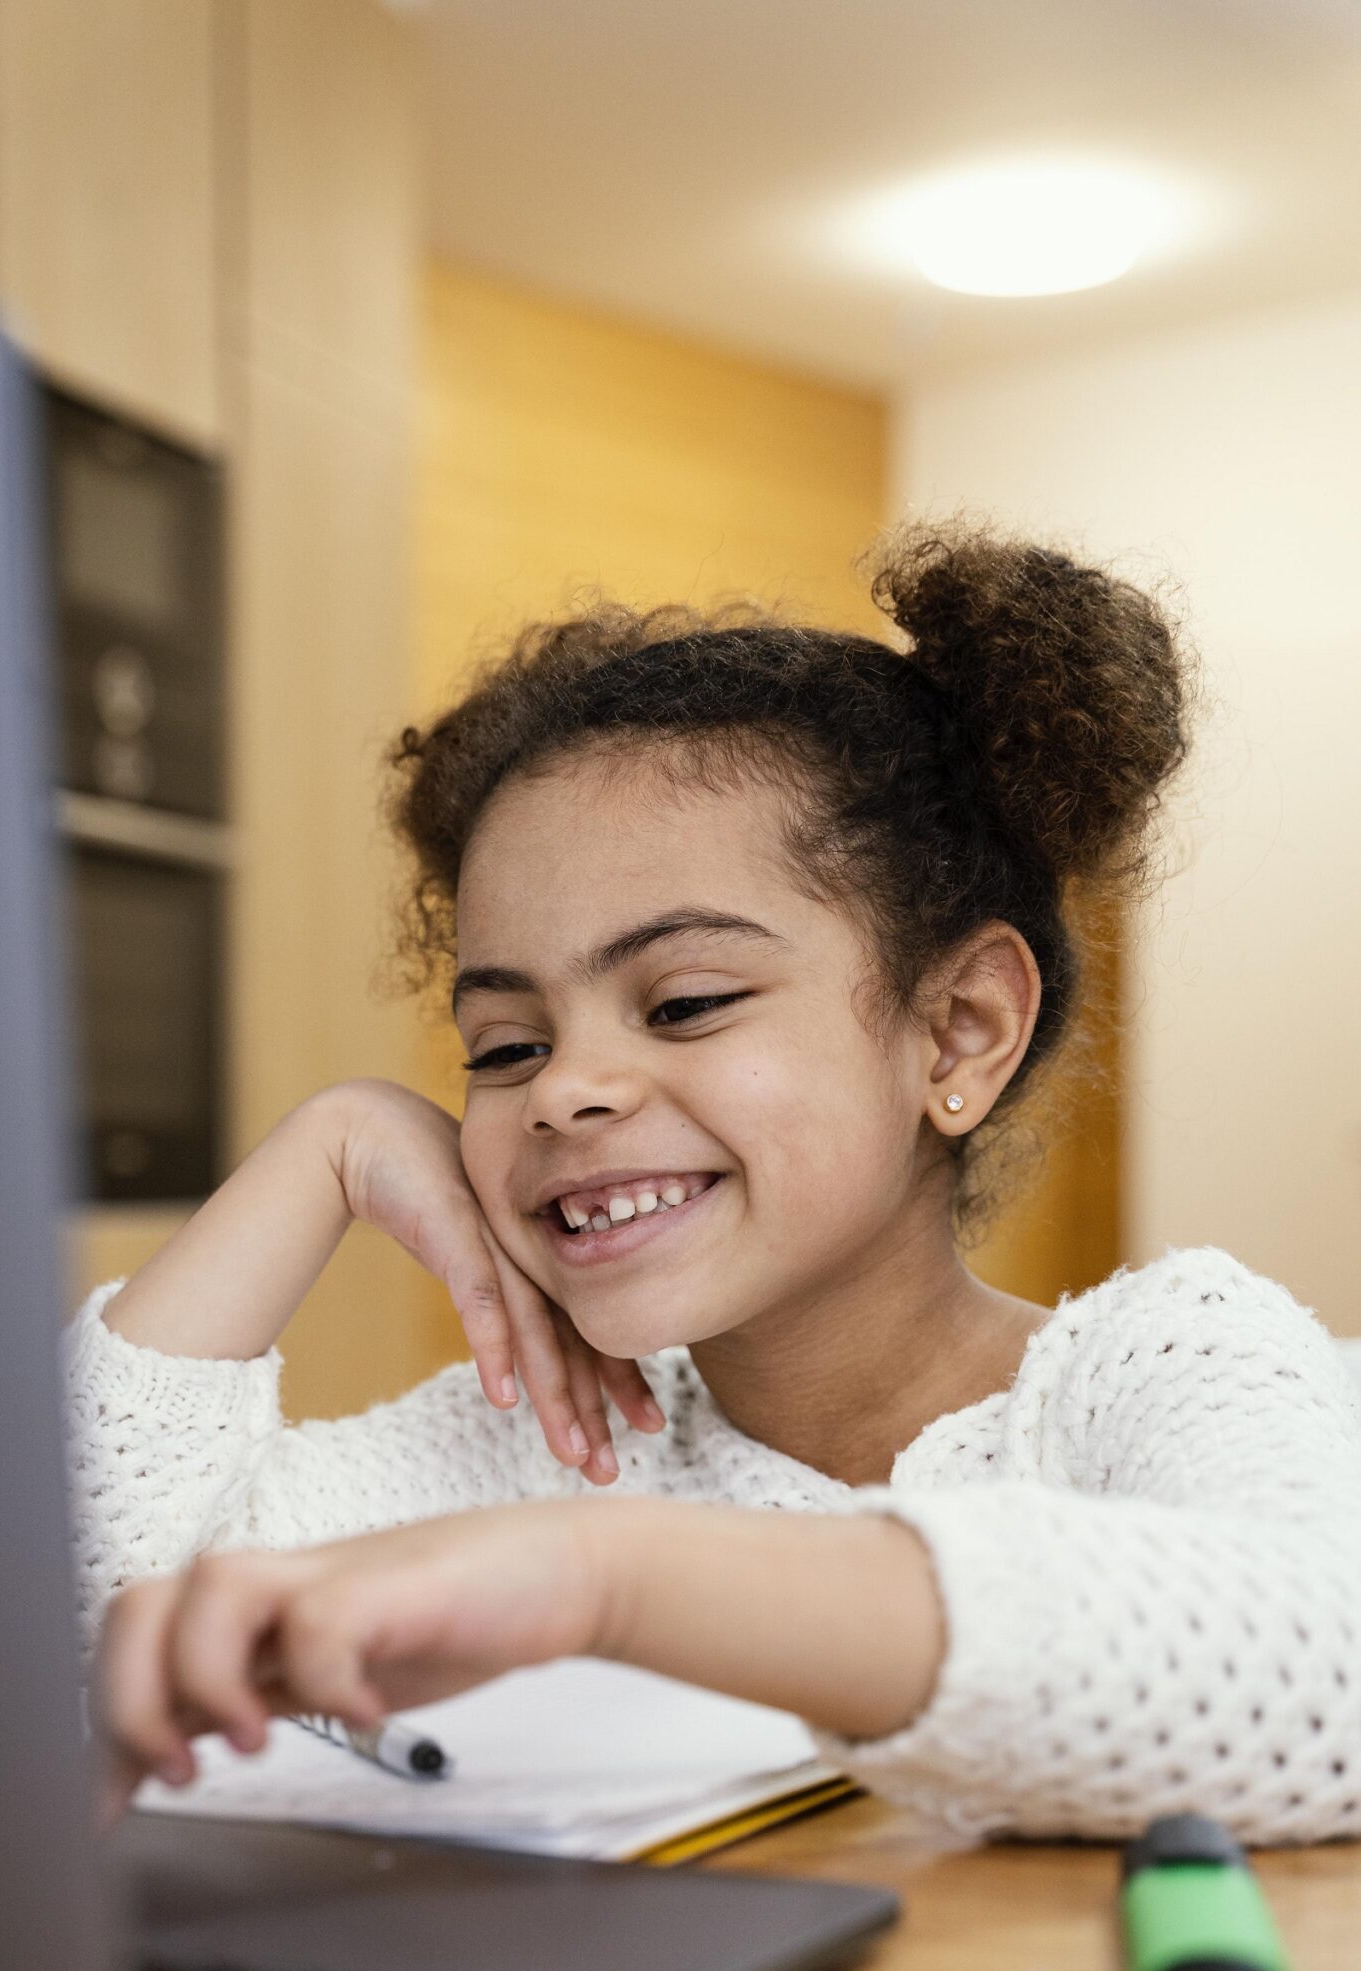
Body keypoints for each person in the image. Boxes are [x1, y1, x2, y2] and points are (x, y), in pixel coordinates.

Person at [69, 525, 1361, 1843]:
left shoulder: (1155, 1363)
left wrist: (602, 1582)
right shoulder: (556, 1436)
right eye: (506, 1046)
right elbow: (87, 1617)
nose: (566, 1088)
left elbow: (1322, 1672)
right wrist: (326, 1149)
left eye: (683, 1003)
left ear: (960, 1028)